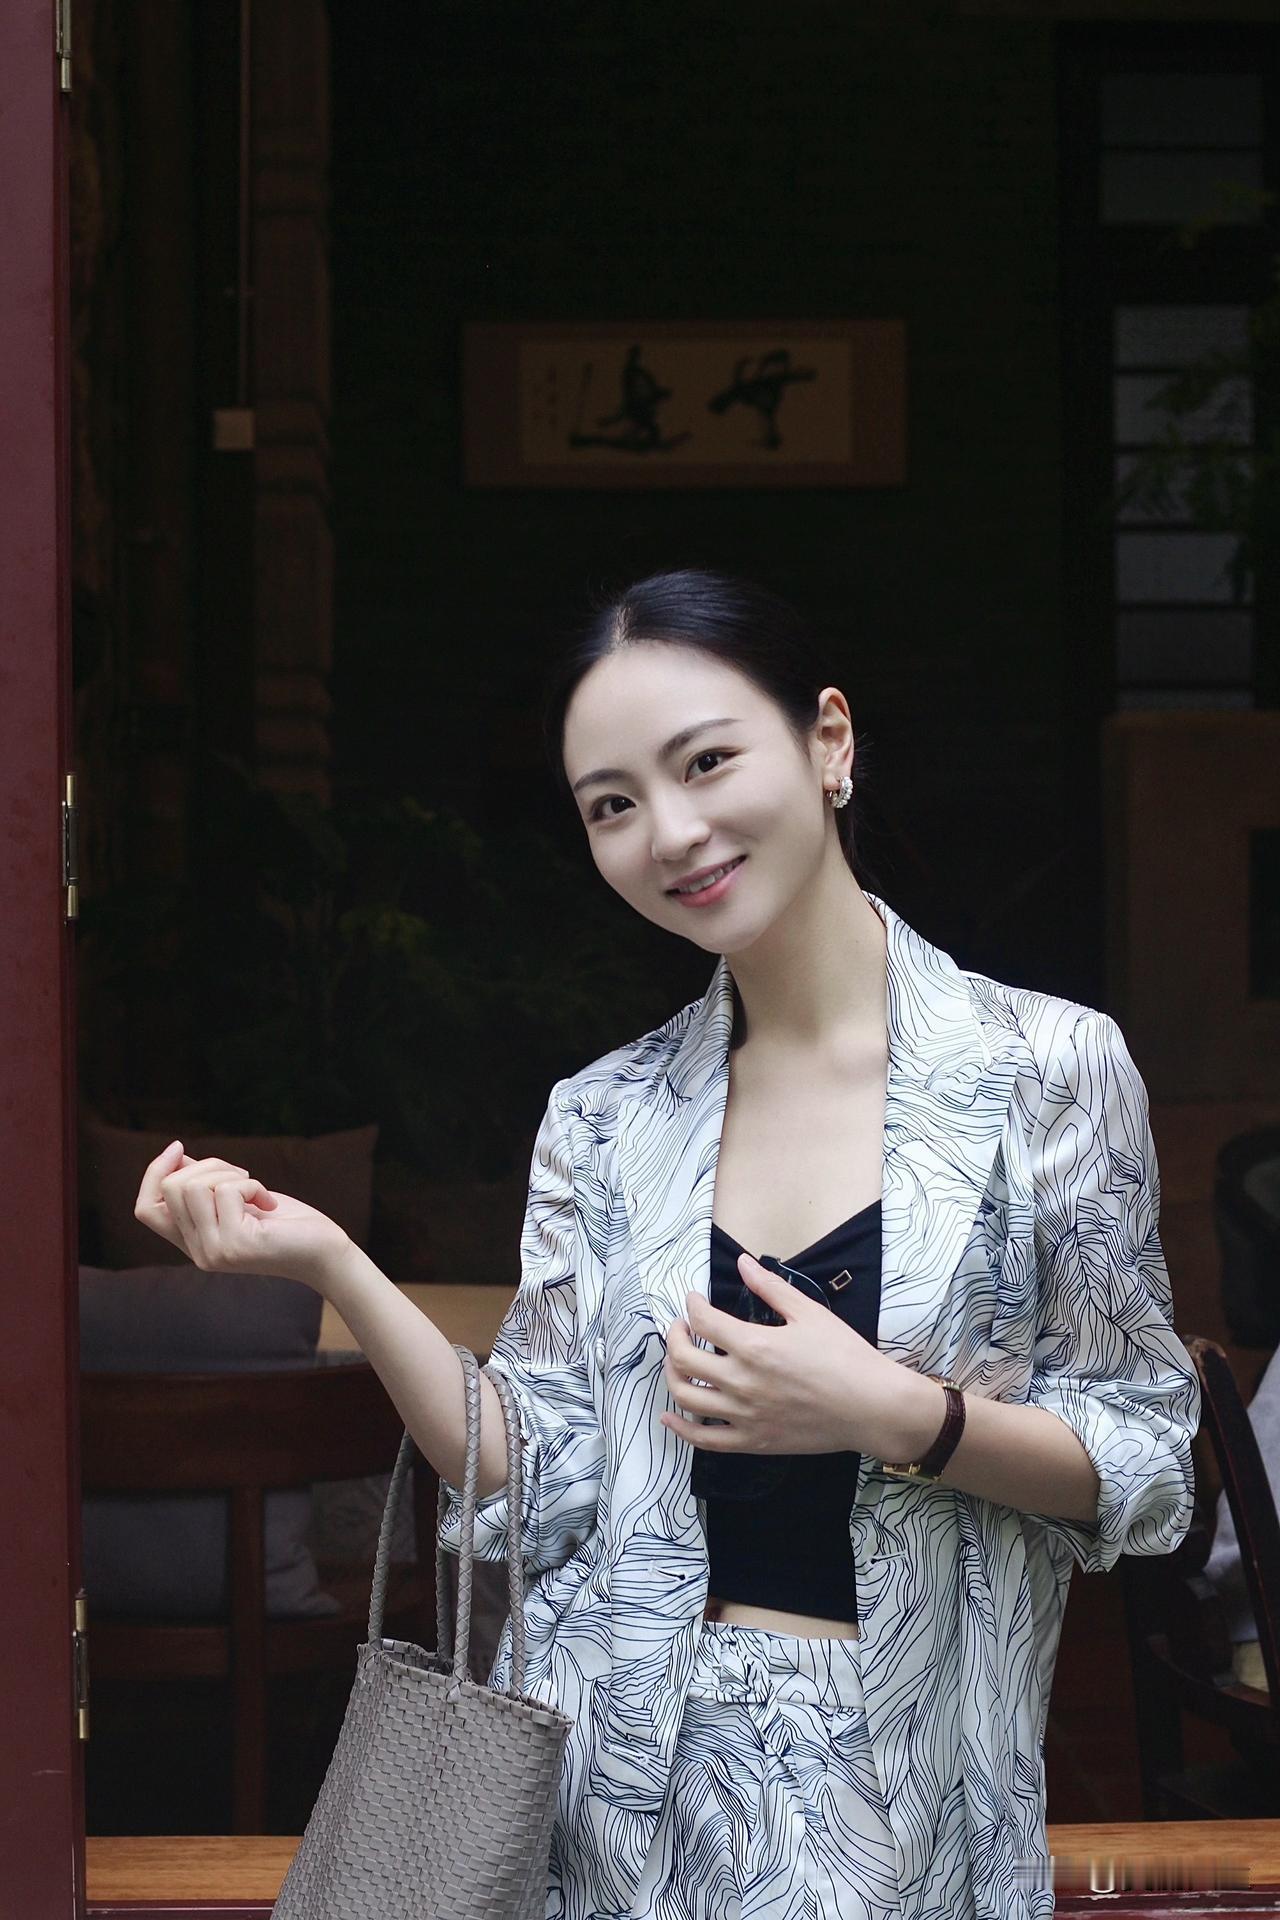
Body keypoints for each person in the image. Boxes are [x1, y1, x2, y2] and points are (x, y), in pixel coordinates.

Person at [134, 568, 1200, 1920]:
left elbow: (1145, 1461)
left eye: (705, 762)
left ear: (828, 742)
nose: (672, 833)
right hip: (608, 1814)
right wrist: (333, 1262)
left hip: (895, 1818)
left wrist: (896, 1414)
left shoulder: (1047, 1070)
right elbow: (531, 1464)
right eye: (613, 805)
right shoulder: (605, 1114)